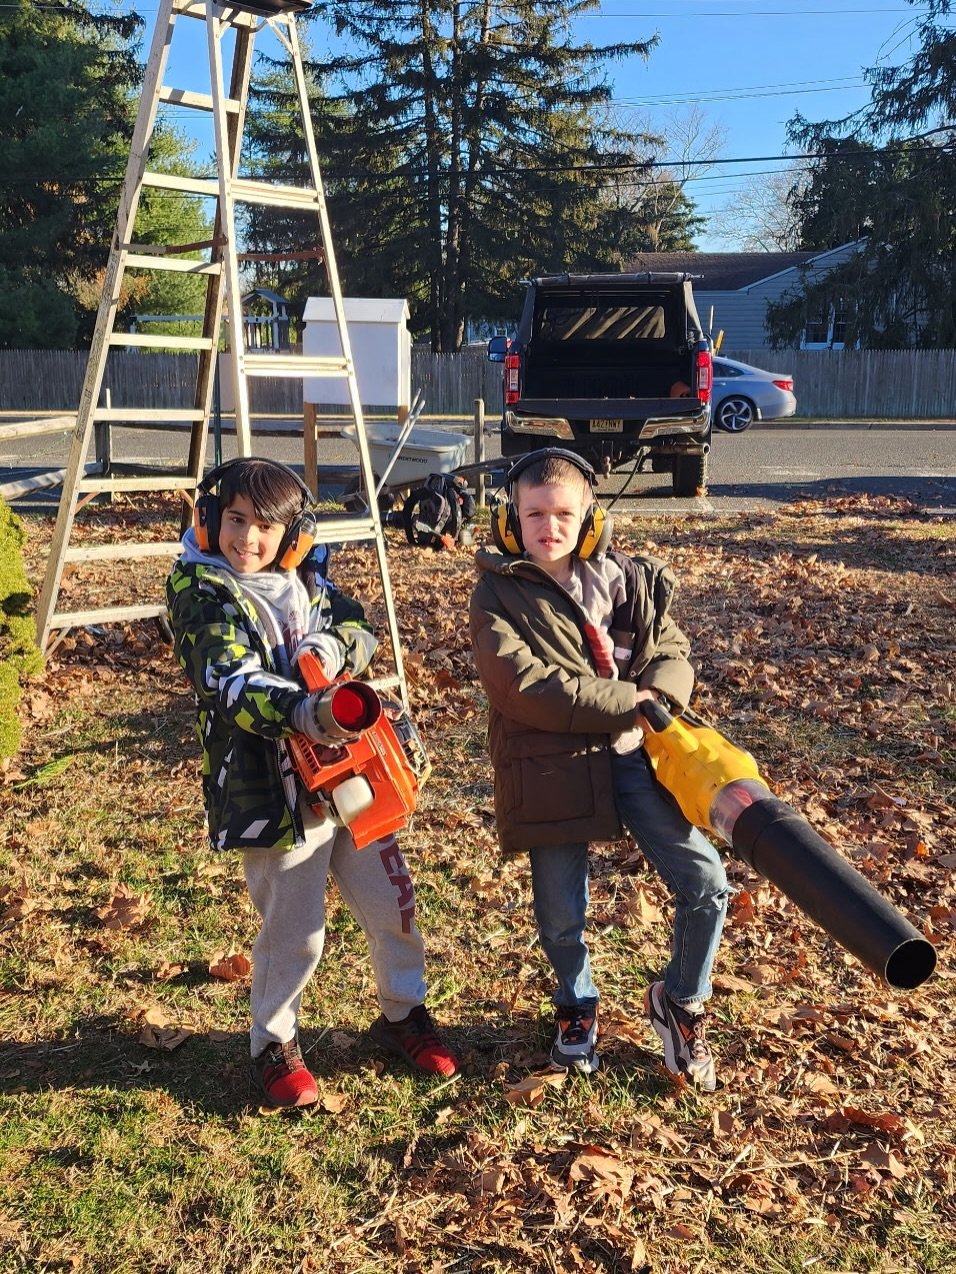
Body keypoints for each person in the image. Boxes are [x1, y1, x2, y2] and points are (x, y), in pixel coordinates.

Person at [167, 456, 458, 1108]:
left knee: (394, 902)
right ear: (209, 521)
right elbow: (230, 681)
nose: (250, 539)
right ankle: (273, 1042)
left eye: (267, 527)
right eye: (236, 521)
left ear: (294, 535)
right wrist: (305, 711)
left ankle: (402, 1011)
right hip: (273, 794)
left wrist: (332, 651)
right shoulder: (199, 592)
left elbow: (357, 627)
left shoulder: (304, 581)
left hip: (347, 778)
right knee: (294, 931)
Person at [469, 448, 731, 1089]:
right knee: (561, 911)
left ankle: (679, 1000)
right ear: (513, 519)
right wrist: (630, 701)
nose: (548, 527)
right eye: (534, 513)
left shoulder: (624, 577)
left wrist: (663, 695)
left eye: (563, 514)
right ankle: (576, 1005)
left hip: (634, 755)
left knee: (707, 882)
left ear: (589, 517)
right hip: (550, 766)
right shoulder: (498, 590)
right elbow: (522, 686)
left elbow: (670, 646)